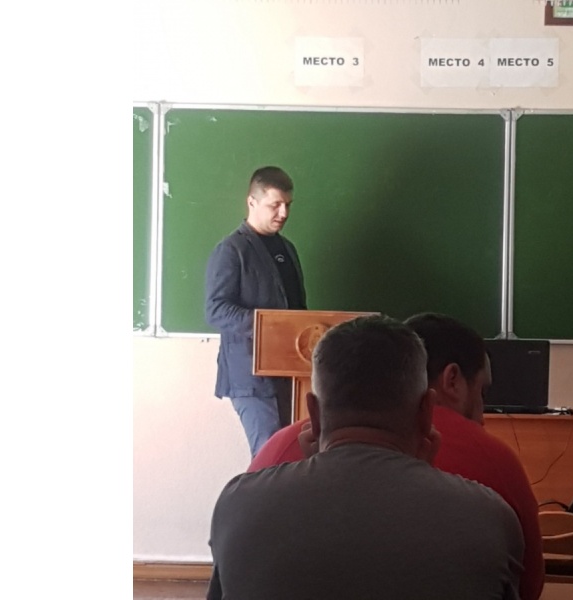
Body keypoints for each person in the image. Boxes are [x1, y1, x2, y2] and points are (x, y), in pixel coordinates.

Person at [207, 315, 524, 600]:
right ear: (427, 412)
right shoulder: (489, 517)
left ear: (313, 414)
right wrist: (426, 478)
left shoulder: (237, 503)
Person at [204, 166, 306, 458]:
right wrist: (271, 325)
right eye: (275, 205)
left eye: (288, 205)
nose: (284, 213)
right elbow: (216, 309)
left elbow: (297, 310)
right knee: (268, 458)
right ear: (252, 202)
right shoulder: (231, 249)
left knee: (291, 456)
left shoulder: (288, 249)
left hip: (290, 374)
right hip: (251, 377)